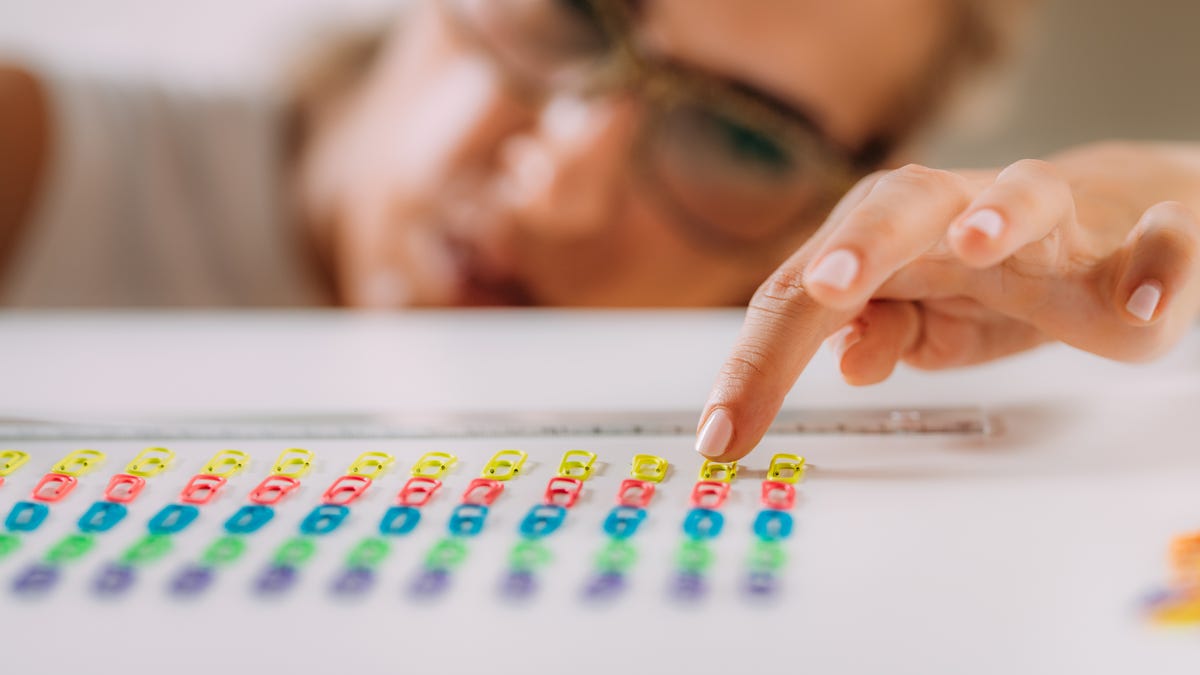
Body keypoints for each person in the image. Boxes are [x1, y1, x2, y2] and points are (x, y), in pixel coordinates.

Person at [0, 0, 1197, 460]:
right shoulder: (36, 161)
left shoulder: (823, 353)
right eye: (566, 17)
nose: (557, 193)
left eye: (743, 140)